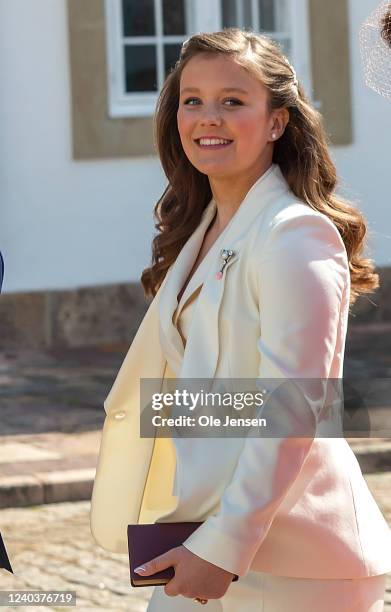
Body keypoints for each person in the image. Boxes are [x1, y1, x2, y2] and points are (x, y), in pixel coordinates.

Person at [90, 29, 391, 611]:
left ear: (277, 121)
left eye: (233, 101)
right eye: (192, 100)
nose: (209, 117)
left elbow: (295, 402)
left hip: (291, 562)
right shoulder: (201, 231)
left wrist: (225, 544)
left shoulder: (293, 234)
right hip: (200, 537)